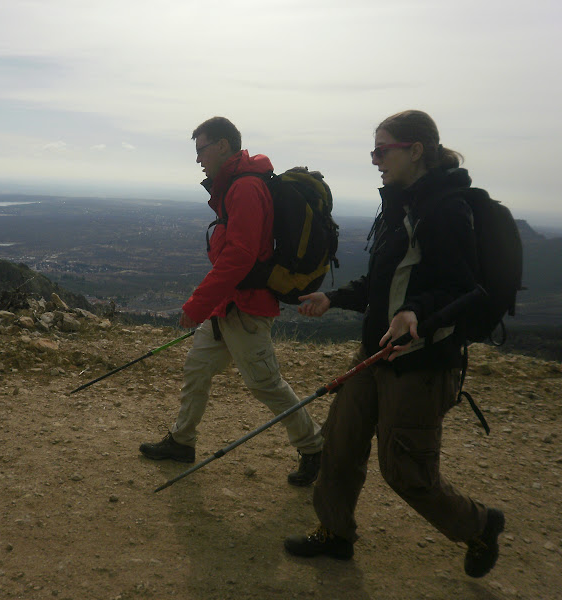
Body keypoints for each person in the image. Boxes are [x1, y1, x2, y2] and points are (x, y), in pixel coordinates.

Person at [285, 110, 505, 577]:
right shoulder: (402, 206)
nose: (375, 160)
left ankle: (480, 524)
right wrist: (334, 298)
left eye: (382, 150)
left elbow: (465, 287)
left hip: (421, 363)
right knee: (340, 444)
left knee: (406, 472)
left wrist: (416, 312)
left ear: (416, 150)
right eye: (374, 151)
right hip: (376, 352)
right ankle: (334, 531)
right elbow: (384, 283)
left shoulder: (446, 209)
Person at [139, 116, 324, 486]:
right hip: (229, 305)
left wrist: (197, 305)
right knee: (197, 367)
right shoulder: (237, 184)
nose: (198, 159)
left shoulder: (245, 188)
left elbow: (239, 257)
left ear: (223, 145)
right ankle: (181, 441)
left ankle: (316, 447)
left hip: (247, 306)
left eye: (201, 149)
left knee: (265, 383)